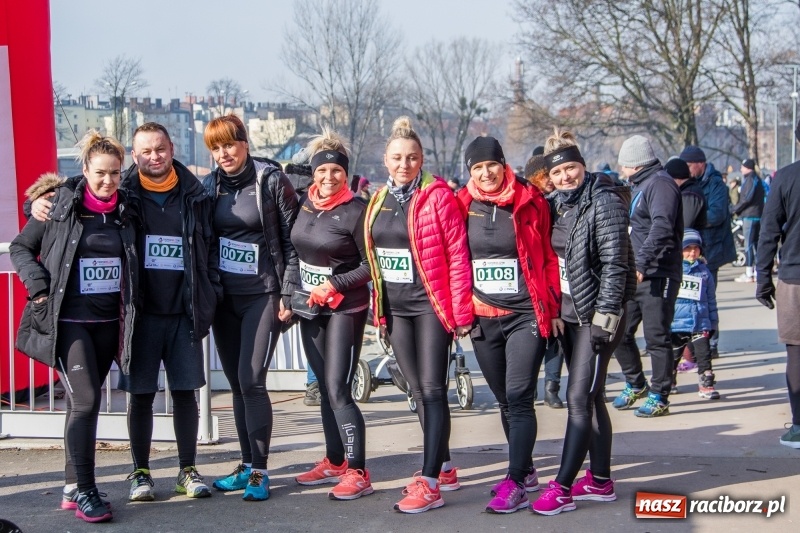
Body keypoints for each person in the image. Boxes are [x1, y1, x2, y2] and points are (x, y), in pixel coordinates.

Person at [28, 123, 222, 502]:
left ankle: (187, 469)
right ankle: (141, 472)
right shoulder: (124, 191)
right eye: (146, 151)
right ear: (135, 156)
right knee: (141, 396)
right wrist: (33, 202)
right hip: (140, 314)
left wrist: (210, 292)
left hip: (183, 313)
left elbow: (211, 244)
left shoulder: (195, 195)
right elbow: (71, 193)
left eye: (161, 149)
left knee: (186, 394)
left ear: (172, 148)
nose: (155, 156)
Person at [11, 131, 139, 523]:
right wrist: (39, 291)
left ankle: (71, 484)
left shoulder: (126, 209)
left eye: (115, 173)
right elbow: (20, 247)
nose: (108, 181)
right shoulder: (61, 204)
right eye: (100, 173)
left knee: (81, 405)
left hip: (107, 325)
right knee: (86, 401)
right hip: (69, 323)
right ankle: (85, 491)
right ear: (84, 170)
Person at [364, 116, 472, 513]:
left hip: (431, 306)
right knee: (416, 391)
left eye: (411, 158)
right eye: (397, 158)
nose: (404, 164)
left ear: (422, 158)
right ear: (385, 160)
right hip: (396, 310)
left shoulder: (438, 196)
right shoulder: (378, 200)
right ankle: (444, 466)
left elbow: (459, 256)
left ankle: (428, 482)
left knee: (432, 389)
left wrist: (460, 314)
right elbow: (373, 258)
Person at [530, 129, 636, 516]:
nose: (565, 178)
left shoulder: (603, 202)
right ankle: (602, 480)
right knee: (591, 399)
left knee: (577, 398)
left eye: (571, 169)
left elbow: (615, 265)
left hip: (598, 318)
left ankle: (562, 487)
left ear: (583, 166)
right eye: (557, 173)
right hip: (570, 317)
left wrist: (605, 319)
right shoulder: (556, 204)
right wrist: (556, 310)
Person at [455, 136, 560, 514]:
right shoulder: (460, 205)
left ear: (503, 164)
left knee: (519, 397)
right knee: (503, 399)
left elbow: (547, 255)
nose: (485, 173)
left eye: (491, 165)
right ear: (470, 171)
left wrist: (551, 305)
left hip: (525, 315)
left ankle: (515, 481)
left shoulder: (530, 199)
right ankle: (527, 468)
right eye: (477, 167)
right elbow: (454, 259)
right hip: (483, 319)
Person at [201, 114, 299, 501]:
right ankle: (245, 464)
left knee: (252, 379)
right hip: (225, 299)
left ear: (245, 143)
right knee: (237, 384)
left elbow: (292, 242)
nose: (223, 153)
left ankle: (260, 471)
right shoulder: (209, 187)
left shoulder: (270, 180)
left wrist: (289, 294)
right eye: (216, 147)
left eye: (229, 144)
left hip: (263, 294)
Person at [290, 129, 373, 500]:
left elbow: (372, 267)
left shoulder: (356, 212)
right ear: (314, 173)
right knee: (324, 386)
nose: (328, 178)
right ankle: (335, 460)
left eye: (336, 172)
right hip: (310, 308)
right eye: (322, 172)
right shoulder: (305, 205)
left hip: (345, 308)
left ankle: (358, 471)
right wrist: (288, 293)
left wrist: (335, 285)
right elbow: (297, 253)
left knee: (339, 388)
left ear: (346, 173)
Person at [612, 135, 683, 418]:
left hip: (657, 273)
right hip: (635, 273)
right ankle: (635, 382)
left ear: (634, 163)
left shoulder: (660, 184)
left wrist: (642, 263)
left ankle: (660, 393)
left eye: (623, 164)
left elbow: (662, 227)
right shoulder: (639, 185)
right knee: (619, 332)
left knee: (656, 336)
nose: (621, 170)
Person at [755, 119, 800, 448]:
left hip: (794, 279)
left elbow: (768, 231)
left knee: (797, 352)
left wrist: (762, 277)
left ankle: (799, 426)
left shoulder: (785, 177)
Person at [679, 145, 736, 358]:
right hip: (690, 250)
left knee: (706, 300)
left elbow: (717, 214)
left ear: (700, 164)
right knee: (689, 299)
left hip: (711, 250)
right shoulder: (688, 183)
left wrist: (693, 219)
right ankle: (692, 346)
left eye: (689, 165)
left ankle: (711, 344)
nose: (686, 168)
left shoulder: (716, 184)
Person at [524, 154, 565, 407]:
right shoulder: (528, 200)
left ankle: (552, 386)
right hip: (536, 274)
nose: (552, 180)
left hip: (557, 271)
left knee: (556, 334)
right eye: (547, 175)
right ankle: (530, 385)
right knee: (536, 337)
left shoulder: (561, 200)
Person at [670, 229, 721, 399]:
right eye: (688, 248)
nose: (692, 252)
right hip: (677, 323)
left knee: (704, 354)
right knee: (674, 355)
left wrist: (713, 322)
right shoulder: (673, 270)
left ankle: (706, 384)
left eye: (696, 248)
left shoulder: (705, 272)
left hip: (700, 321)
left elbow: (711, 299)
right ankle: (668, 380)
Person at [733, 158, 765, 283]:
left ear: (748, 167)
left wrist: (735, 209)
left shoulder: (751, 180)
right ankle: (757, 272)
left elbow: (746, 199)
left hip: (750, 216)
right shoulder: (756, 179)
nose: (741, 169)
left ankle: (749, 273)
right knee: (755, 245)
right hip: (756, 215)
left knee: (749, 245)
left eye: (742, 166)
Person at [665, 157, 707, 231]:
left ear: (676, 178)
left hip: (689, 241)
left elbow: (683, 225)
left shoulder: (690, 195)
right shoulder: (687, 192)